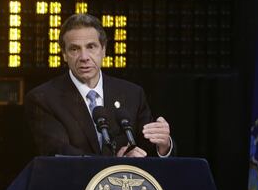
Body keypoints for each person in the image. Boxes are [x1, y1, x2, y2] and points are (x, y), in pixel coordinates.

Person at [24, 13, 173, 157]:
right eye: (74, 49)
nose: (84, 57)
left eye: (91, 47)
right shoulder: (43, 99)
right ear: (64, 54)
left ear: (103, 50)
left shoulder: (132, 94)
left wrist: (163, 145)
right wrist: (114, 165)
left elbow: (149, 149)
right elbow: (59, 152)